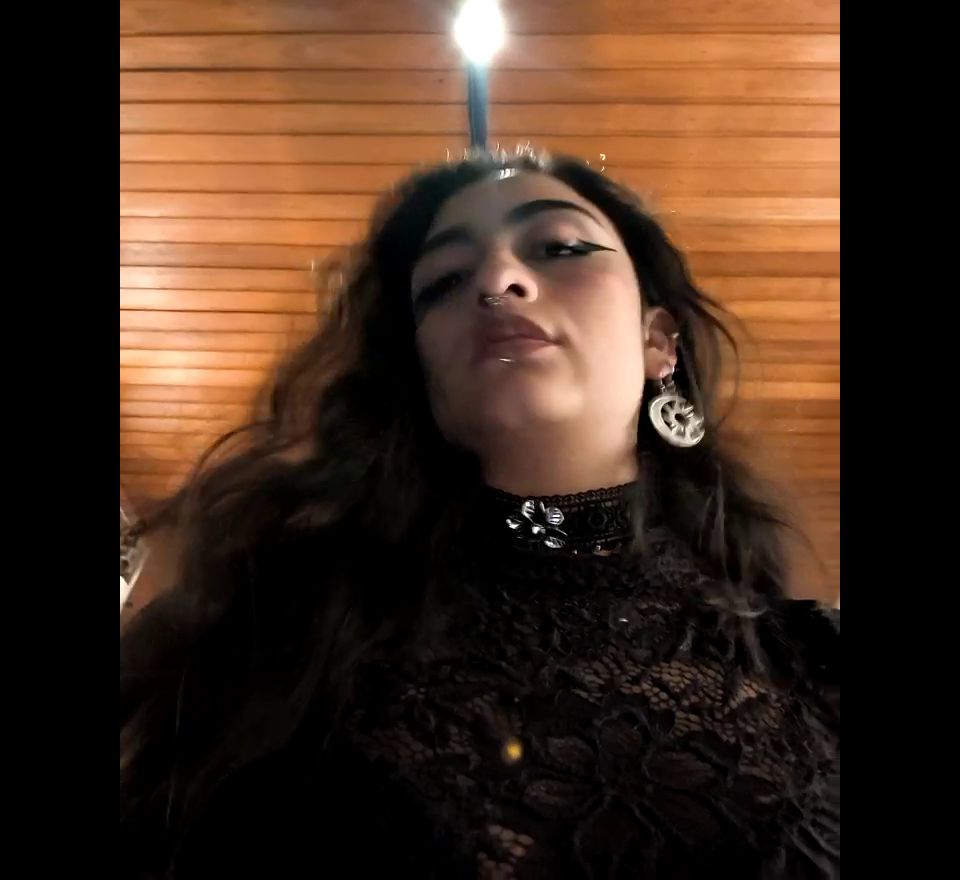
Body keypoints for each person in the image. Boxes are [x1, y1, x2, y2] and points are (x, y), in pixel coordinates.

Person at [120, 148, 839, 879]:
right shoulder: (272, 638)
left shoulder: (816, 659)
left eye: (560, 247)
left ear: (657, 342)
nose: (498, 281)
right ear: (422, 374)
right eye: (445, 282)